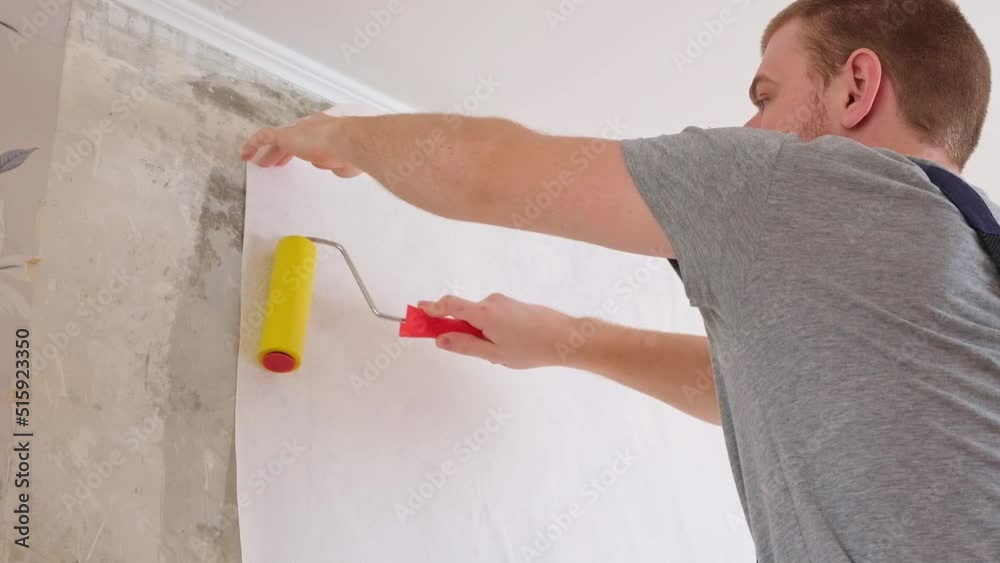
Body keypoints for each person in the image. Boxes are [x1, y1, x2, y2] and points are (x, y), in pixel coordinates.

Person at [241, 1, 999, 560]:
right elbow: (777, 383)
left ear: (855, 86)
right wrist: (573, 340)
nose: (747, 133)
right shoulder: (960, 271)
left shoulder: (809, 185)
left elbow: (482, 171)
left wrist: (339, 132)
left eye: (766, 98)